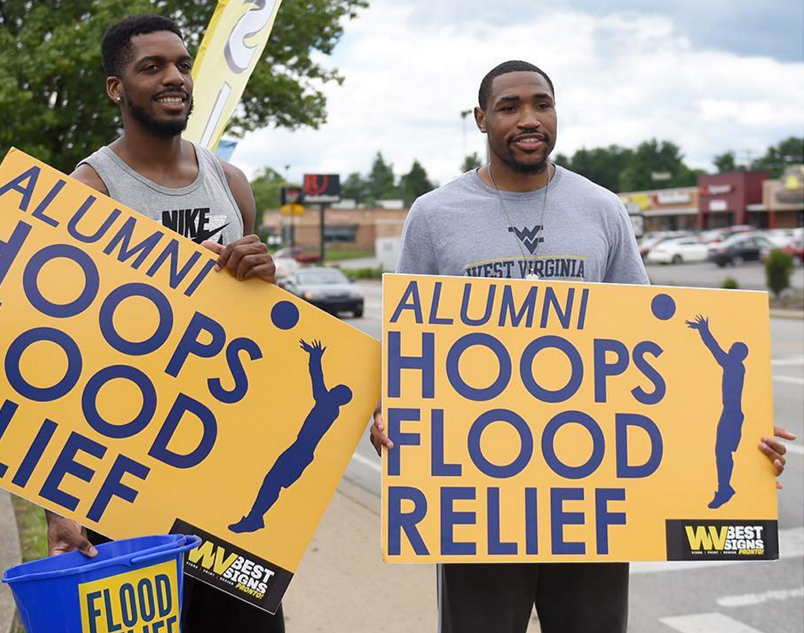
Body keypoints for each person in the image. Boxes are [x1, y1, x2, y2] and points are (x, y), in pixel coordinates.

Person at [369, 60, 795, 633]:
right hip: (478, 502)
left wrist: (746, 437)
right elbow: (409, 349)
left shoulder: (601, 208)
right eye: (509, 106)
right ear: (480, 119)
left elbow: (649, 349)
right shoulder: (434, 214)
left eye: (542, 104)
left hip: (590, 502)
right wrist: (390, 414)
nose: (529, 119)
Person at [45, 14, 282, 633]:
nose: (175, 76)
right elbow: (63, 351)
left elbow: (262, 328)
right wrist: (58, 503)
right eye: (152, 67)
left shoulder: (231, 184)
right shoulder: (89, 188)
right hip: (121, 469)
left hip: (223, 469)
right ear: (116, 89)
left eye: (180, 64)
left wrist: (268, 279)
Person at [230, 339, 352, 533]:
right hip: (302, 451)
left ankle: (254, 518)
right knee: (273, 483)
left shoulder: (327, 405)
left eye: (336, 389)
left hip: (300, 451)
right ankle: (256, 517)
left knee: (272, 482)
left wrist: (315, 358)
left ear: (338, 397)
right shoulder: (330, 407)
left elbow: (317, 382)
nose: (332, 388)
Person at [686, 314, 749, 508]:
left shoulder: (734, 366)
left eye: (732, 350)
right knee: (722, 452)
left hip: (732, 415)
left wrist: (704, 331)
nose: (728, 351)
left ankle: (725, 489)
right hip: (731, 413)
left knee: (723, 452)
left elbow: (715, 350)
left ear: (738, 354)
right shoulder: (735, 365)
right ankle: (724, 488)